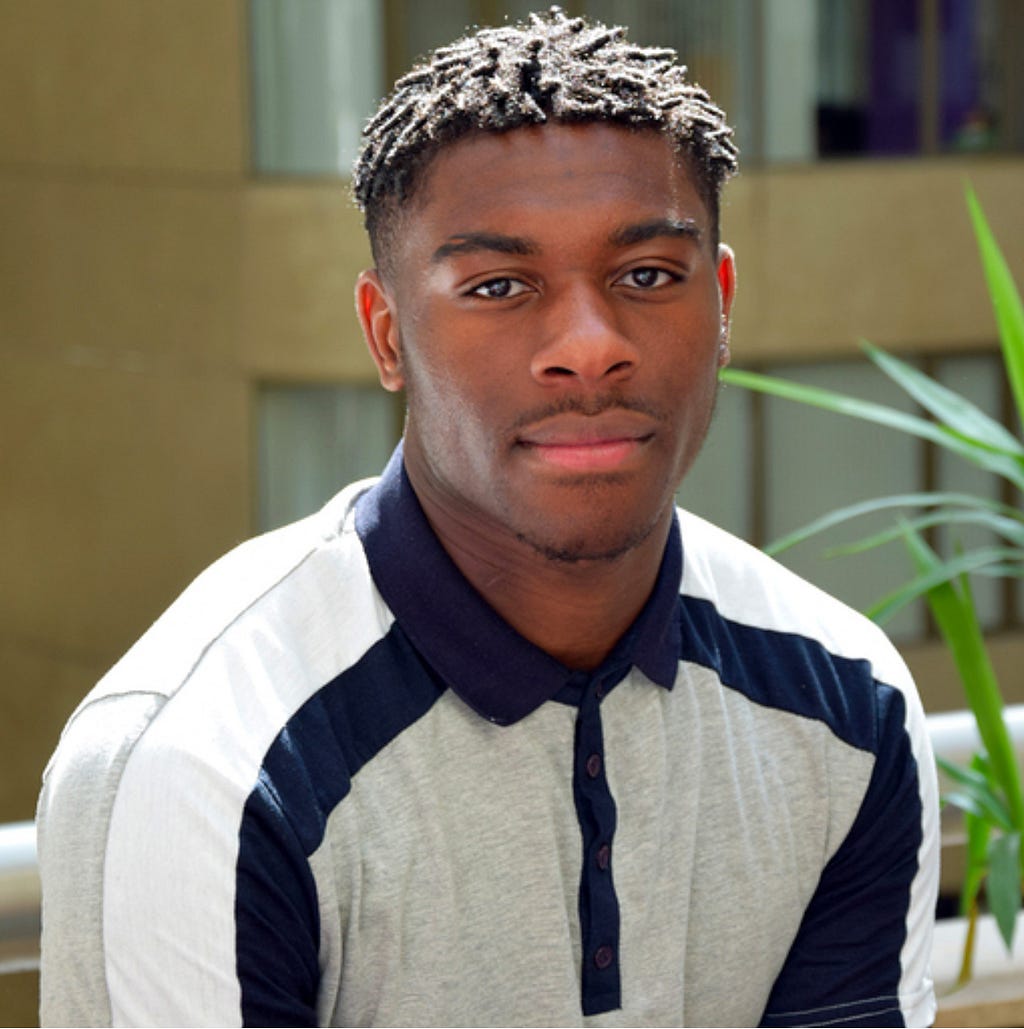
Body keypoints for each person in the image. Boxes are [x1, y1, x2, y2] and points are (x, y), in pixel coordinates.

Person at [37, 7, 939, 1027]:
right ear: (386, 337)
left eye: (647, 276)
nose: (589, 346)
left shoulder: (846, 707)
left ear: (720, 304)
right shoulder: (204, 765)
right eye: (499, 286)